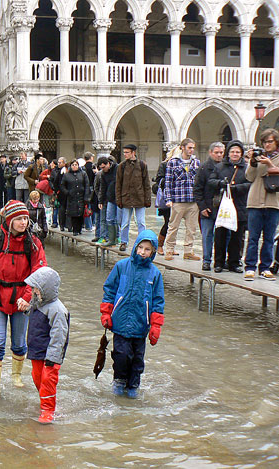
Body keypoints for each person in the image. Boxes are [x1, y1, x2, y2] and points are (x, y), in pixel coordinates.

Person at [0, 200, 47, 402]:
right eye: (19, 219)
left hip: (21, 300)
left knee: (18, 343)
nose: (24, 222)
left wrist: (27, 297)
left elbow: (39, 273)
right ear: (9, 220)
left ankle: (16, 376)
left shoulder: (33, 243)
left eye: (26, 218)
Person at [100, 230, 165, 398]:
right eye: (140, 247)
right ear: (135, 247)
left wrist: (155, 326)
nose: (143, 252)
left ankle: (133, 384)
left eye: (147, 249)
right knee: (121, 355)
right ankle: (119, 380)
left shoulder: (155, 274)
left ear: (153, 252)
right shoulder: (122, 266)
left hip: (141, 324)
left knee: (137, 359)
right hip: (120, 322)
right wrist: (106, 313)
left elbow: (158, 301)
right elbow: (110, 290)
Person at [24, 266, 69, 424]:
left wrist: (53, 357)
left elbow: (59, 336)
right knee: (37, 378)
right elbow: (33, 316)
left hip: (50, 355)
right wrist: (26, 308)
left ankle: (48, 410)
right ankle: (44, 403)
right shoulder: (38, 303)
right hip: (37, 350)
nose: (34, 291)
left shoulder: (57, 310)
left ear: (46, 289)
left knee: (48, 380)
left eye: (37, 288)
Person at [208, 140, 251, 273]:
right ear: (229, 153)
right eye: (232, 151)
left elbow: (250, 183)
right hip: (223, 207)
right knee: (220, 236)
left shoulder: (247, 168)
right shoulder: (220, 167)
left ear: (241, 154)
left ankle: (234, 262)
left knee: (237, 237)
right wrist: (222, 183)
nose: (235, 154)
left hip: (240, 206)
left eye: (237, 152)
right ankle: (219, 263)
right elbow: (211, 181)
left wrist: (236, 188)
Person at [243, 128, 279, 281]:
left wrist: (270, 164)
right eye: (264, 142)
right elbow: (249, 177)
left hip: (273, 203)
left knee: (269, 238)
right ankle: (250, 267)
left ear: (276, 142)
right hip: (255, 202)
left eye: (270, 141)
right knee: (253, 237)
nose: (267, 145)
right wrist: (252, 162)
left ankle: (265, 268)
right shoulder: (258, 157)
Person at [163, 138, 201, 261]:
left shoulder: (196, 162)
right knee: (173, 226)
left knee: (192, 228)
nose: (191, 150)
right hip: (178, 200)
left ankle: (188, 251)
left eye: (193, 148)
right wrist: (168, 199)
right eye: (189, 147)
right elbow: (168, 182)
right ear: (182, 147)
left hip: (192, 200)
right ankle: (169, 250)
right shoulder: (173, 162)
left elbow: (199, 182)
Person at [193, 142, 225, 270]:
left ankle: (220, 261)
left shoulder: (226, 167)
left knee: (223, 236)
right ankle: (206, 260)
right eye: (216, 152)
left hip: (222, 208)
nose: (219, 155)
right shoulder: (204, 168)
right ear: (210, 153)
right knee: (207, 235)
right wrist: (202, 207)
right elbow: (197, 189)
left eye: (221, 152)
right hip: (207, 207)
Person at [116, 144, 151, 252]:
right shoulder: (121, 166)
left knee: (141, 222)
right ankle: (123, 242)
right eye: (124, 152)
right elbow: (118, 184)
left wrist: (147, 199)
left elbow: (146, 183)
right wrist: (119, 199)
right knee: (125, 222)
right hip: (126, 198)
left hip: (139, 198)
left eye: (127, 152)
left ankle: (141, 243)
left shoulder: (142, 165)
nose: (125, 154)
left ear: (133, 153)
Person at [60, 159, 90, 235]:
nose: (74, 166)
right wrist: (67, 192)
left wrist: (86, 196)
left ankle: (79, 228)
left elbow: (87, 185)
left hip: (81, 196)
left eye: (76, 165)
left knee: (81, 213)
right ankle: (75, 229)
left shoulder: (83, 174)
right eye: (73, 165)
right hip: (71, 196)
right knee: (73, 213)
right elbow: (62, 185)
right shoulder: (67, 175)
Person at [97, 156, 119, 246]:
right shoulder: (103, 174)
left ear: (108, 164)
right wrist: (101, 201)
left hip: (118, 197)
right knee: (109, 219)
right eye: (101, 168)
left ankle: (117, 238)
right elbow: (103, 187)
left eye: (103, 167)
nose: (103, 169)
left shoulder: (117, 168)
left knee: (118, 220)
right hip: (110, 198)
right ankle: (111, 240)